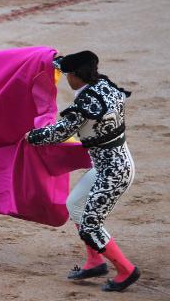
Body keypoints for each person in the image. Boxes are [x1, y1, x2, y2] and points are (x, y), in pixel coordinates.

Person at [26, 51, 140, 292]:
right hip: (110, 164)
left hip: (114, 172)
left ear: (78, 76)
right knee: (75, 205)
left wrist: (31, 136)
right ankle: (95, 261)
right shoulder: (104, 84)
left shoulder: (85, 106)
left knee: (90, 223)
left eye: (68, 74)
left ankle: (126, 270)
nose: (66, 78)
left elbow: (58, 133)